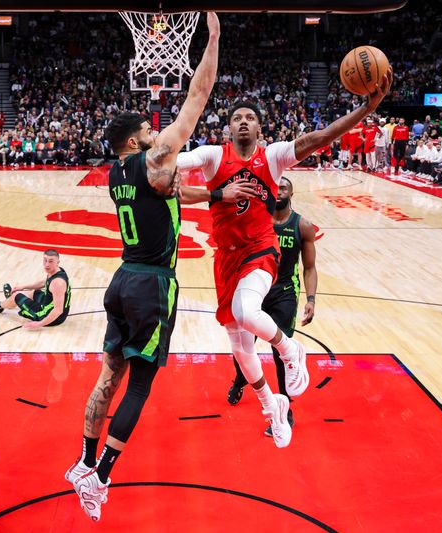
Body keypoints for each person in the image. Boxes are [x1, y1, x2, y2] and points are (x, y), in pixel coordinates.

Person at [65, 14, 253, 523]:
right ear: (134, 141)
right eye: (148, 130)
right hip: (151, 285)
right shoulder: (155, 158)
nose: (156, 132)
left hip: (121, 278)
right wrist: (212, 39)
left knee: (108, 377)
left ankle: (82, 461)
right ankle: (100, 477)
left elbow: (174, 192)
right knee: (141, 386)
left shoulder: (116, 174)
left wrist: (215, 192)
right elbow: (199, 94)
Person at [177, 69, 393, 448]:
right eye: (236, 118)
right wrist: (148, 158)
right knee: (241, 350)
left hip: (261, 249)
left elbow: (320, 137)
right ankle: (272, 407)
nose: (243, 122)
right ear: (228, 129)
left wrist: (365, 109)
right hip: (225, 259)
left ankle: (292, 350)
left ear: (260, 129)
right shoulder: (212, 156)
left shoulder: (272, 156)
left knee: (246, 311)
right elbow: (174, 170)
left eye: (250, 118)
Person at [227, 176, 318, 438]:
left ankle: (286, 411)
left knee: (281, 354)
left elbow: (309, 267)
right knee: (243, 347)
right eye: (276, 188)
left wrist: (311, 300)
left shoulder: (302, 225)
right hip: (256, 287)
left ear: (292, 192)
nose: (279, 192)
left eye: (285, 188)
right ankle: (240, 378)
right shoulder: (258, 220)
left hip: (284, 293)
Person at [0, 249, 71, 329]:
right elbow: (44, 282)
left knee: (17, 296)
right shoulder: (57, 271)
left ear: (58, 262)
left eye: (51, 261)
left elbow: (58, 311)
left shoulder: (58, 283)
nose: (47, 264)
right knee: (34, 292)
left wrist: (39, 324)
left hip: (51, 318)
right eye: (45, 260)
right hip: (52, 309)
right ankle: (11, 300)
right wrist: (23, 286)